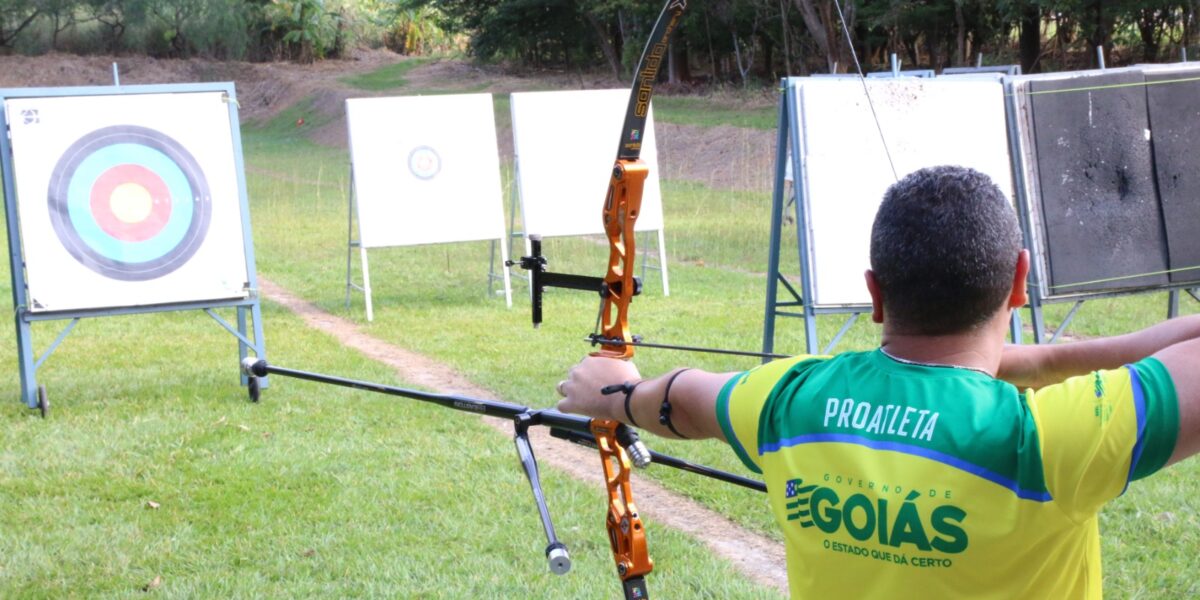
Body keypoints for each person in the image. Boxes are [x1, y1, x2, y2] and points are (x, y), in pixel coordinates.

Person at [556, 165, 1200, 598]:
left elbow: (679, 399)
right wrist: (1095, 358)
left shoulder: (790, 399)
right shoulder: (1051, 439)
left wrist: (611, 392)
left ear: (874, 293)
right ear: (1020, 283)